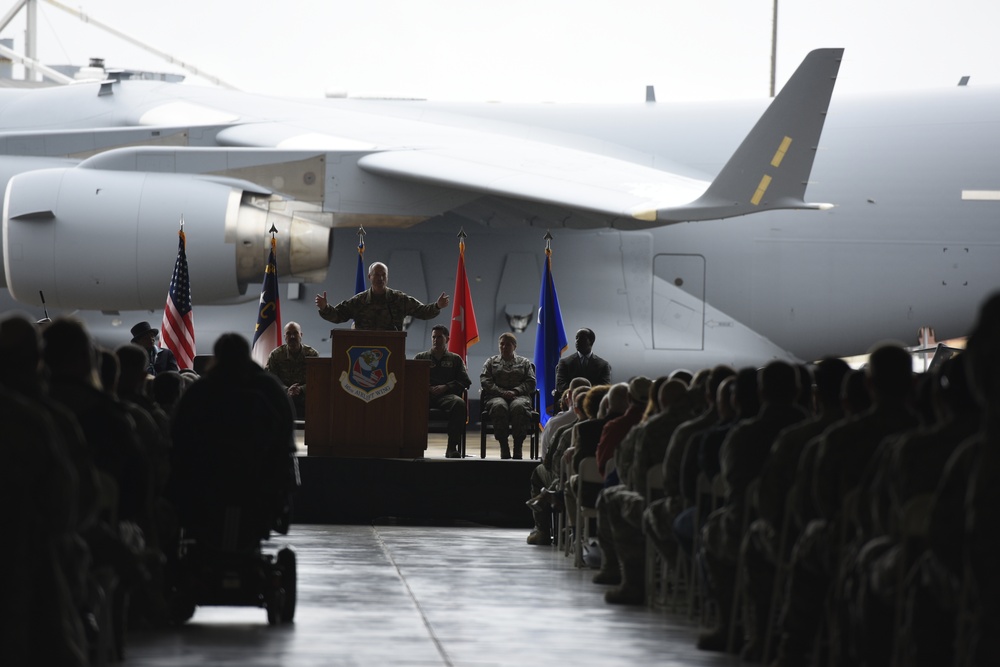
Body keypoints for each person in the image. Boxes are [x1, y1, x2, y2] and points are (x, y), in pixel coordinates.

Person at [167, 333, 298, 550]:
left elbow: (179, 436)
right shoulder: (270, 389)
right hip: (258, 484)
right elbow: (285, 439)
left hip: (208, 483)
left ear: (216, 356)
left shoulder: (200, 391)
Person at [314, 261, 449, 331]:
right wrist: (325, 307)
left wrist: (437, 306)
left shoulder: (399, 299)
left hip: (392, 350)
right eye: (377, 275)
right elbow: (339, 315)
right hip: (363, 353)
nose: (381, 278)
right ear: (369, 277)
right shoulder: (359, 301)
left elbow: (422, 312)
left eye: (384, 275)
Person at [414, 324, 472, 458]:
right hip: (425, 396)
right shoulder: (421, 357)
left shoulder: (455, 359)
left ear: (447, 339)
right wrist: (427, 387)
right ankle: (414, 446)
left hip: (447, 396)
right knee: (411, 404)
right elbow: (412, 380)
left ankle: (452, 447)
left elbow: (465, 381)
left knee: (459, 404)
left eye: (439, 337)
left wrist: (446, 387)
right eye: (434, 337)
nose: (436, 340)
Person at [480, 333, 536, 459]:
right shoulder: (491, 362)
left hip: (519, 396)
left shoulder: (524, 362)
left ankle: (518, 447)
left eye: (508, 344)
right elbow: (485, 381)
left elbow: (531, 382)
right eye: (502, 344)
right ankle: (503, 446)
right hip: (495, 396)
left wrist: (515, 391)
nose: (504, 347)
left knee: (519, 407)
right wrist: (501, 392)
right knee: (499, 406)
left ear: (514, 346)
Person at [265, 321, 320, 420]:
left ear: (301, 335)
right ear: (284, 336)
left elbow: (317, 381)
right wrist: (287, 390)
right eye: (289, 334)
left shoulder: (312, 354)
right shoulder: (276, 355)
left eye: (295, 333)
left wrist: (301, 389)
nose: (292, 337)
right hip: (283, 401)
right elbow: (271, 381)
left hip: (307, 403)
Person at [553, 328, 612, 410]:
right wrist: (575, 397)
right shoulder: (564, 362)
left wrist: (587, 398)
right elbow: (561, 385)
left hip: (592, 402)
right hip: (570, 401)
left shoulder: (603, 365)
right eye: (576, 338)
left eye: (581, 338)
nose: (577, 341)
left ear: (591, 341)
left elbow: (603, 387)